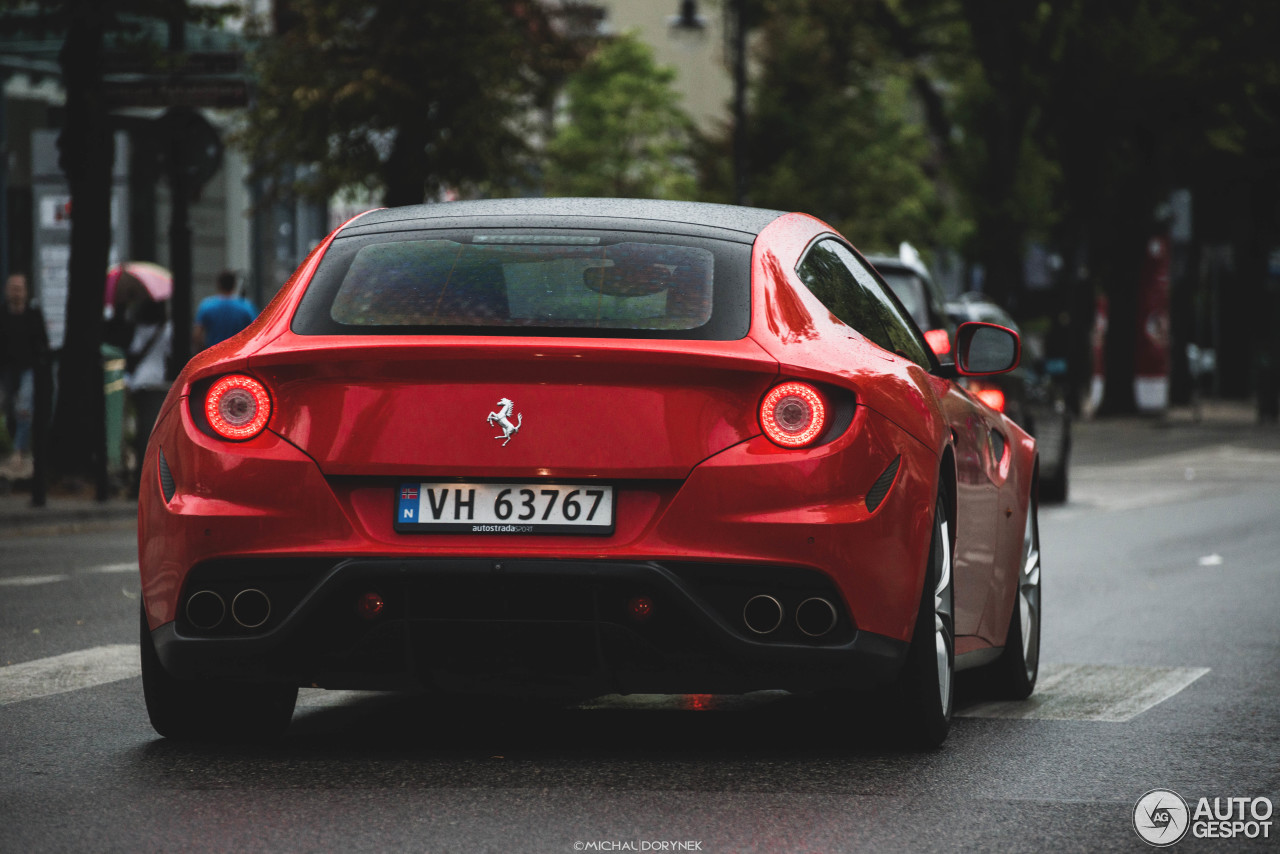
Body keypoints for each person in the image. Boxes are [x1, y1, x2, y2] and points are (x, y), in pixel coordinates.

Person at [0, 272, 49, 479]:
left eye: (19, 288)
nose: (16, 293)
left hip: (28, 368)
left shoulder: (32, 314)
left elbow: (41, 341)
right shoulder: (3, 314)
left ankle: (18, 451)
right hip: (6, 369)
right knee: (8, 408)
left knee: (24, 409)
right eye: (13, 288)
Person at [126, 297, 171, 494]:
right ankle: (148, 478)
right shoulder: (168, 328)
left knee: (138, 429)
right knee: (151, 431)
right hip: (156, 381)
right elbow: (170, 352)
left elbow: (134, 350)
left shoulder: (140, 327)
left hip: (138, 382)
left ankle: (138, 478)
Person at [193, 270, 256, 350]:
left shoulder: (207, 305)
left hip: (214, 355)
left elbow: (197, 335)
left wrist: (204, 351)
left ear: (218, 284)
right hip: (238, 354)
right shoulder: (246, 307)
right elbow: (255, 331)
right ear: (234, 285)